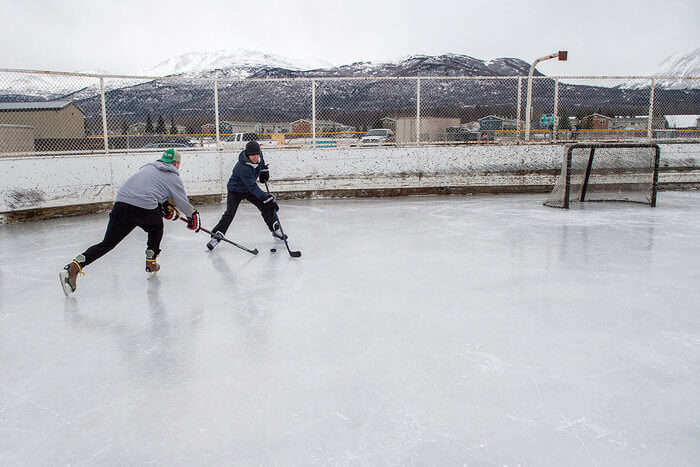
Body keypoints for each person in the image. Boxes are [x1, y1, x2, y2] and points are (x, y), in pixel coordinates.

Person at [59, 149, 201, 296]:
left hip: (122, 205)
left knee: (107, 243)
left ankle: (73, 267)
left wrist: (163, 205)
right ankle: (151, 262)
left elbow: (150, 188)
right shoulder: (173, 176)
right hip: (144, 207)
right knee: (156, 228)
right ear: (176, 163)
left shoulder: (148, 167)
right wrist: (193, 216)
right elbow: (182, 201)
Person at [207, 140, 286, 251]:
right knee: (230, 213)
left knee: (265, 206)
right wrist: (265, 197)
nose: (255, 157)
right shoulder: (242, 167)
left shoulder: (259, 155)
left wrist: (264, 170)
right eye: (252, 155)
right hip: (236, 190)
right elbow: (252, 187)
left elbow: (261, 163)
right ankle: (216, 236)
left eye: (257, 154)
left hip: (249, 188)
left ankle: (275, 228)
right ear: (247, 154)